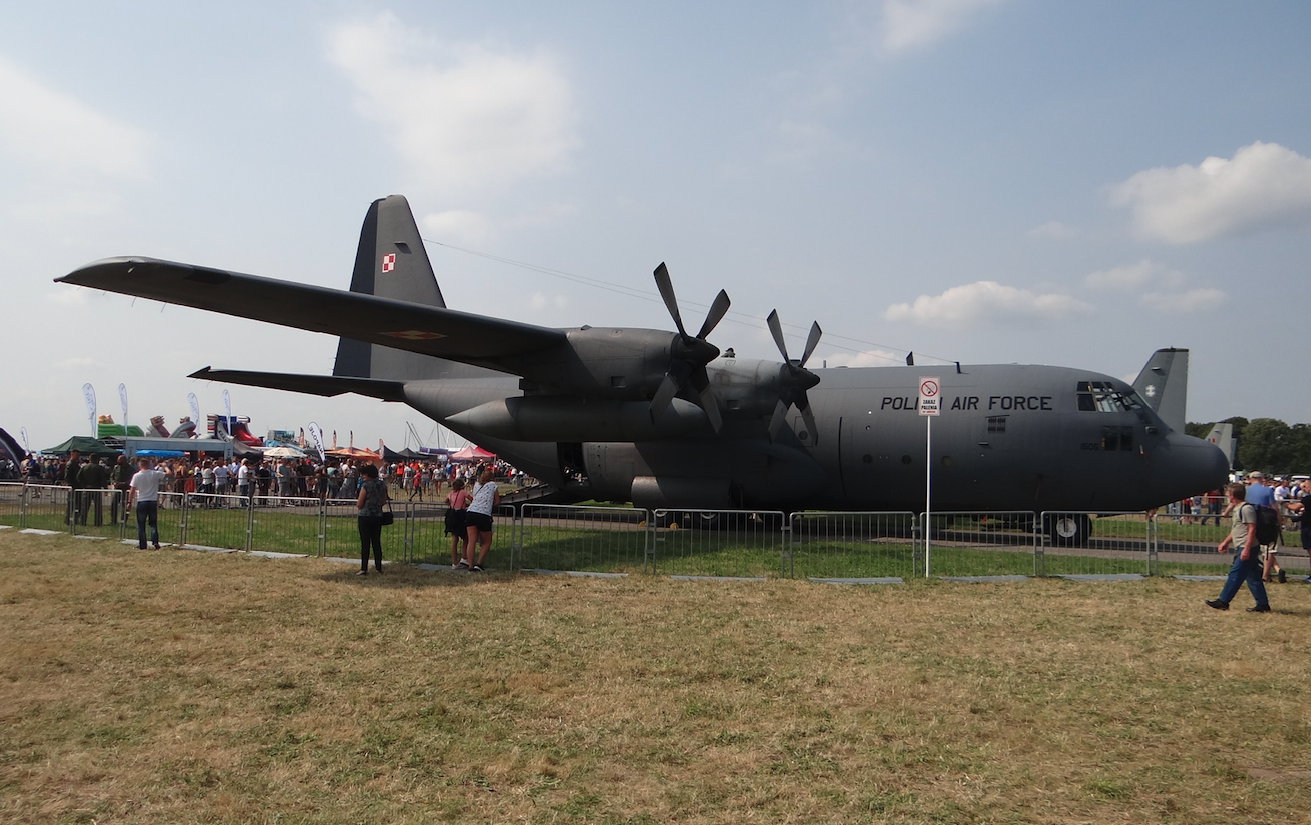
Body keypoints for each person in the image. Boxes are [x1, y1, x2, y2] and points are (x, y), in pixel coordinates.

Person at [1207, 482, 1271, 612]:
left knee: (1235, 574)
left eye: (1227, 494)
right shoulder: (1238, 508)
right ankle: (1262, 604)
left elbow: (1251, 530)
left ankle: (1223, 601)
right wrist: (1226, 542)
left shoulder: (1246, 509)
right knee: (1252, 576)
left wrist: (1247, 549)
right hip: (1242, 546)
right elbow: (1237, 529)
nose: (1226, 496)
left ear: (1232, 496)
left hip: (1247, 547)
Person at [464, 467, 501, 572]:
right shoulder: (493, 485)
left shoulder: (476, 485)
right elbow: (497, 500)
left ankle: (470, 566)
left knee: (471, 541)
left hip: (471, 511)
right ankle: (479, 563)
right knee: (487, 541)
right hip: (483, 514)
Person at [355, 463, 389, 576]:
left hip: (365, 516)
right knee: (376, 542)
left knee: (365, 543)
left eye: (363, 474)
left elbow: (359, 504)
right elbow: (384, 501)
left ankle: (364, 568)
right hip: (377, 516)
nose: (362, 476)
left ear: (368, 474)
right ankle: (378, 567)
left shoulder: (366, 485)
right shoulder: (382, 485)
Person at [128, 457, 167, 550]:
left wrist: (129, 502)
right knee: (153, 523)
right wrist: (165, 466)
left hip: (142, 500)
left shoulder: (136, 476)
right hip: (152, 501)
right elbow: (170, 474)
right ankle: (155, 542)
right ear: (148, 465)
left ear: (139, 465)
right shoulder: (154, 474)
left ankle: (142, 544)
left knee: (141, 524)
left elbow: (132, 490)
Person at [445, 478, 471, 568]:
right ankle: (464, 558)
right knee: (466, 537)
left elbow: (446, 501)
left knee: (454, 539)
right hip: (461, 515)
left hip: (452, 516)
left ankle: (454, 562)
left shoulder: (451, 493)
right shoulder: (463, 492)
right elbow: (471, 499)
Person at [63, 449, 82, 525]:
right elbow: (67, 476)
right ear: (72, 454)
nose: (78, 457)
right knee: (71, 504)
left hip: (77, 487)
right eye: (76, 455)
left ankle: (74, 520)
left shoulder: (75, 464)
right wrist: (69, 485)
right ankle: (68, 520)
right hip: (73, 487)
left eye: (78, 455)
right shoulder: (70, 464)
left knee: (77, 505)